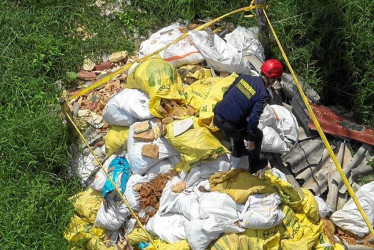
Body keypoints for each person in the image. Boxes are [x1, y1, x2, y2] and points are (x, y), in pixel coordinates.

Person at [213, 59, 284, 173]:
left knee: (240, 122)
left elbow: (226, 94)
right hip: (229, 126)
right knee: (257, 135)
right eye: (275, 80)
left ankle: (238, 150)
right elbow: (253, 121)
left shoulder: (243, 78)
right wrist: (251, 141)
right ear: (271, 79)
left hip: (216, 115)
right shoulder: (263, 94)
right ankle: (254, 165)